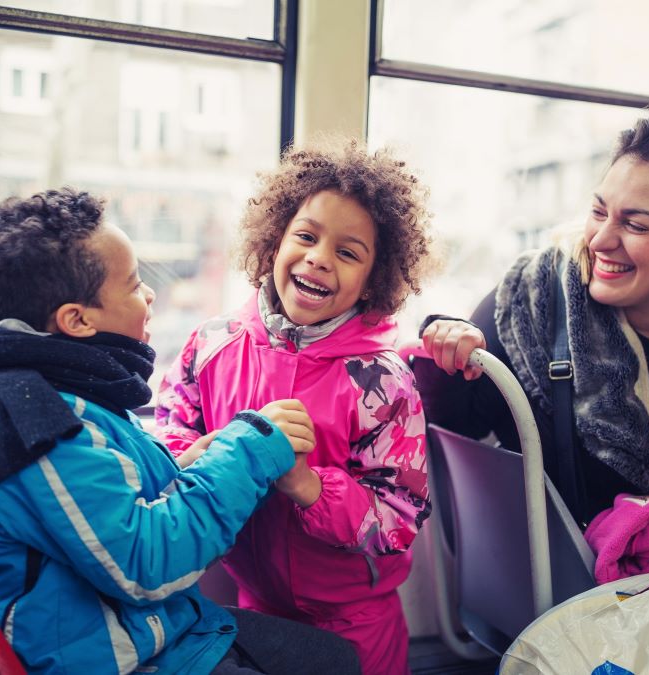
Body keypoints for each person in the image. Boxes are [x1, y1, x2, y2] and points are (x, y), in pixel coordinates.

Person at [418, 111, 649, 666]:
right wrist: (445, 345)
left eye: (637, 225)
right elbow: (447, 427)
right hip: (579, 616)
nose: (601, 239)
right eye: (599, 211)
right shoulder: (531, 307)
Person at [0, 187, 361, 674]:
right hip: (119, 655)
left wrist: (191, 464)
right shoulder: (37, 427)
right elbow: (146, 564)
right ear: (77, 320)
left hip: (146, 626)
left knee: (336, 658)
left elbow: (107, 501)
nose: (150, 295)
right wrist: (249, 451)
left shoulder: (57, 388)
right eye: (134, 285)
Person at [154, 139, 433, 675]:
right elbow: (169, 432)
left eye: (348, 253)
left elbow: (399, 516)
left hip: (356, 621)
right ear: (275, 240)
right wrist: (209, 454)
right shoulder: (212, 344)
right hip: (252, 605)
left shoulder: (383, 381)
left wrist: (307, 485)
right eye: (305, 236)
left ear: (373, 280)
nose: (319, 258)